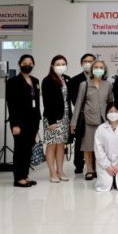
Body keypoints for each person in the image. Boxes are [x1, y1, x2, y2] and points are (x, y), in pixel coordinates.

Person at [72, 59, 114, 181]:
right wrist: (73, 122)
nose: (98, 69)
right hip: (88, 119)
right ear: (91, 70)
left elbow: (111, 102)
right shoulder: (84, 84)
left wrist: (113, 119)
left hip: (104, 120)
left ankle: (99, 169)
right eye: (96, 67)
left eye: (101, 67)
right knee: (88, 146)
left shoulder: (108, 84)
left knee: (102, 146)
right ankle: (90, 170)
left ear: (104, 70)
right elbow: (78, 104)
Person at [6, 54, 41, 187]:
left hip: (33, 120)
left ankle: (25, 175)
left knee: (28, 150)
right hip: (19, 122)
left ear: (33, 65)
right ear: (19, 64)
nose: (28, 65)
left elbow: (37, 101)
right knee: (20, 149)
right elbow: (11, 104)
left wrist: (38, 120)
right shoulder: (13, 82)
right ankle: (18, 178)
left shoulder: (35, 81)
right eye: (25, 63)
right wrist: (15, 124)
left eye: (30, 63)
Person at [41, 55, 72, 183]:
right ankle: (52, 172)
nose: (61, 66)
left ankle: (60, 170)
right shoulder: (47, 80)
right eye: (58, 64)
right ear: (52, 66)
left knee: (61, 145)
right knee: (52, 145)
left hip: (65, 117)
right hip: (53, 118)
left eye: (63, 64)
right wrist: (51, 121)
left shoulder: (67, 79)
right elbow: (47, 102)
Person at [93, 102, 118, 191]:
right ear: (106, 113)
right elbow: (99, 150)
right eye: (111, 112)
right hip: (104, 164)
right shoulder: (100, 129)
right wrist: (107, 166)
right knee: (105, 185)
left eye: (116, 111)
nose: (113, 114)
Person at [69, 53, 95, 174]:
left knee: (94, 140)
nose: (87, 63)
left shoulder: (99, 79)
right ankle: (79, 165)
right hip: (81, 114)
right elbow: (75, 100)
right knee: (80, 140)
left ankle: (93, 166)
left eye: (90, 61)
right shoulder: (74, 80)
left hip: (95, 115)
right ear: (81, 63)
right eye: (85, 61)